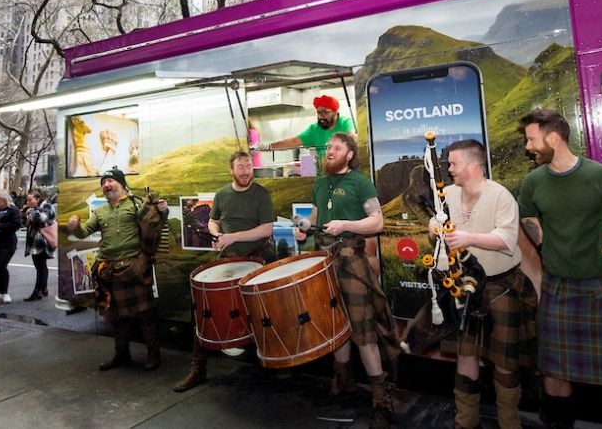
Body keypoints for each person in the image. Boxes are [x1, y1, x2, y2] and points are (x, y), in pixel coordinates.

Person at [516, 108, 602, 429]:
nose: (528, 147)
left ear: (553, 138)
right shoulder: (533, 182)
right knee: (554, 374)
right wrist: (546, 243)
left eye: (532, 140)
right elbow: (527, 215)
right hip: (559, 288)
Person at [296, 132, 399, 429]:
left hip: (351, 261)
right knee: (334, 325)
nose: (329, 151)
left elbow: (377, 221)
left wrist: (346, 224)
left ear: (349, 154)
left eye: (336, 147)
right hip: (322, 262)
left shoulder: (360, 182)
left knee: (362, 330)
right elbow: (315, 215)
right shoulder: (319, 182)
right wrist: (303, 230)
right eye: (328, 147)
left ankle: (381, 400)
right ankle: (343, 382)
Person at [436, 140, 539, 429]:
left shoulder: (500, 196)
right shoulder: (449, 194)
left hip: (500, 286)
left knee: (505, 361)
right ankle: (465, 422)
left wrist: (468, 237)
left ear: (473, 166)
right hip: (463, 287)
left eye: (454, 164)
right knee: (465, 354)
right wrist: (436, 227)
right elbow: (437, 219)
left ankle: (509, 423)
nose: (450, 168)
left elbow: (507, 239)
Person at [173, 151, 276, 393]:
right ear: (231, 170)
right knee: (202, 307)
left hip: (259, 256)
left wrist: (233, 237)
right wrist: (216, 233)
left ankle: (277, 362)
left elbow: (266, 229)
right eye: (240, 167)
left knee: (269, 308)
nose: (245, 171)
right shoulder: (221, 194)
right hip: (229, 259)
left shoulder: (261, 194)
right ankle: (198, 367)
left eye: (248, 166)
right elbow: (214, 220)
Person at [66, 168, 168, 372]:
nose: (106, 185)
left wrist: (163, 211)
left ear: (121, 184)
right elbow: (85, 231)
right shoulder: (100, 211)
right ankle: (122, 354)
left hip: (134, 267)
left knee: (145, 315)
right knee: (116, 316)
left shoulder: (135, 204)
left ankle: (153, 353)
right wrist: (75, 227)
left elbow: (152, 224)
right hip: (107, 269)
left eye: (110, 181)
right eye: (103, 182)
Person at [256, 94, 354, 153]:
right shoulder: (314, 129)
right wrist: (269, 147)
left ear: (335, 113)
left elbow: (353, 136)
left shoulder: (345, 123)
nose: (320, 116)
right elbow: (292, 142)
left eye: (324, 112)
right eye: (318, 113)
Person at [21, 190, 56, 302]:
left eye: (30, 200)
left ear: (38, 199)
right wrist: (23, 216)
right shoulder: (34, 209)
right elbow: (27, 223)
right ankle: (43, 288)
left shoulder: (47, 207)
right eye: (27, 200)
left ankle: (37, 291)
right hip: (35, 240)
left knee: (40, 266)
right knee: (40, 265)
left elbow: (39, 218)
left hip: (43, 240)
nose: (28, 202)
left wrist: (29, 211)